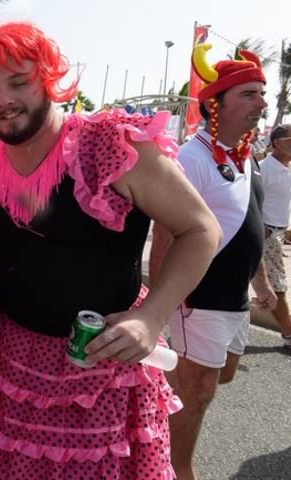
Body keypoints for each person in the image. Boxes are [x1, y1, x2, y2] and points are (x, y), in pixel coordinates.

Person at [0, 22, 220, 479]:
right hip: (10, 372)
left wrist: (151, 318)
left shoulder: (110, 146)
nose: (3, 100)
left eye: (18, 81)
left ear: (49, 77)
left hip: (103, 371)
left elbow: (200, 229)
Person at [149, 43, 276, 480]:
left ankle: (152, 407)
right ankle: (174, 467)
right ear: (214, 104)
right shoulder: (191, 157)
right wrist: (160, 301)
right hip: (199, 297)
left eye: (263, 92)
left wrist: (261, 283)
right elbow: (165, 232)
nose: (263, 102)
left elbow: (247, 223)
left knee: (218, 378)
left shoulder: (247, 157)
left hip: (236, 296)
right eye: (250, 94)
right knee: (199, 388)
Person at [259, 124, 291, 346]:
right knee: (277, 284)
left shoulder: (287, 169)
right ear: (277, 143)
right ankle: (289, 332)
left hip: (278, 232)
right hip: (266, 233)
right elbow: (251, 201)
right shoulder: (263, 169)